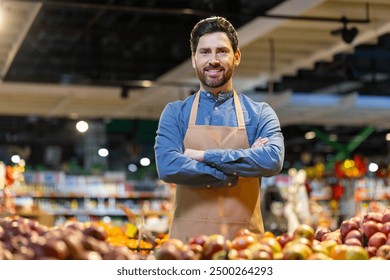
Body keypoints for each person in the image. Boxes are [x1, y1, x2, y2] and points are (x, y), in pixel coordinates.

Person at [154, 16, 285, 241]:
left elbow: (272, 160)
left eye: (222, 51)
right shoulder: (175, 113)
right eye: (204, 52)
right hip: (187, 251)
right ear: (194, 59)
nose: (213, 60)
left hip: (246, 249)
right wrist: (231, 173)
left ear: (236, 57)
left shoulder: (260, 113)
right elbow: (167, 166)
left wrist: (203, 156)